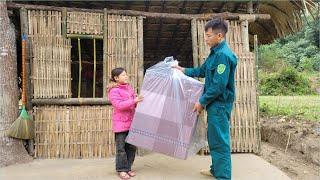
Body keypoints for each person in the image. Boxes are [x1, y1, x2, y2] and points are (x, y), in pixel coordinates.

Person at [173, 18, 237, 180]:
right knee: (214, 138)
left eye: (208, 36)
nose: (205, 39)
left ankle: (223, 176)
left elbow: (218, 86)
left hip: (220, 104)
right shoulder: (215, 53)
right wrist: (183, 70)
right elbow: (202, 70)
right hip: (215, 104)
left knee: (219, 141)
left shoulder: (223, 55)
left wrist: (202, 101)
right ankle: (216, 169)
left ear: (220, 36)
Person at [107, 67, 143, 180]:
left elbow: (133, 104)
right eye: (123, 75)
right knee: (121, 148)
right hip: (121, 125)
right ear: (116, 78)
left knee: (132, 147)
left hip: (132, 122)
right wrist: (134, 101)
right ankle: (122, 169)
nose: (126, 76)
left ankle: (128, 168)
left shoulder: (129, 88)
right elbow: (119, 105)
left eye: (126, 74)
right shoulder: (113, 91)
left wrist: (137, 101)